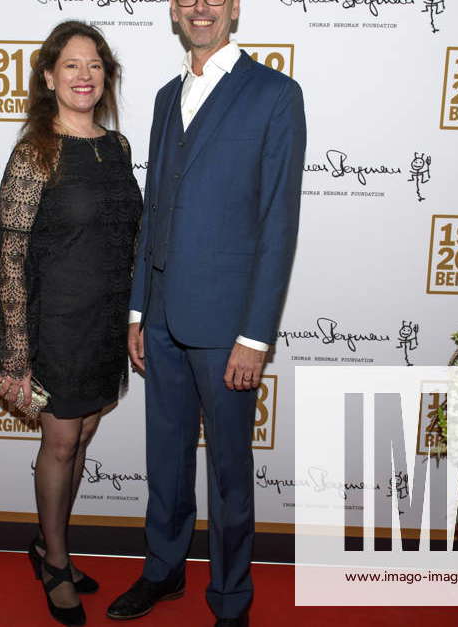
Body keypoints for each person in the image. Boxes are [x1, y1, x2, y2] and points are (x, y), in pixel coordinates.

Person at [106, 1, 307, 626]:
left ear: (234, 8)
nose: (201, 7)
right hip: (161, 316)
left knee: (228, 469)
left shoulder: (276, 94)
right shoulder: (167, 97)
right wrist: (138, 308)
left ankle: (230, 600)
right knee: (163, 458)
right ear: (173, 8)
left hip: (227, 326)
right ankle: (163, 571)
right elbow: (155, 210)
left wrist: (255, 335)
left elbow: (279, 224)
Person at [0, 20, 142, 627]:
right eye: (71, 65)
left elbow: (128, 243)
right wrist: (16, 353)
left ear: (106, 78)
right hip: (54, 326)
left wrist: (135, 317)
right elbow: (11, 256)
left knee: (83, 438)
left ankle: (50, 544)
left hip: (104, 323)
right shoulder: (35, 152)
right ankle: (54, 561)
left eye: (95, 65)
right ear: (49, 78)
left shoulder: (117, 147)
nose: (84, 75)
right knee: (60, 441)